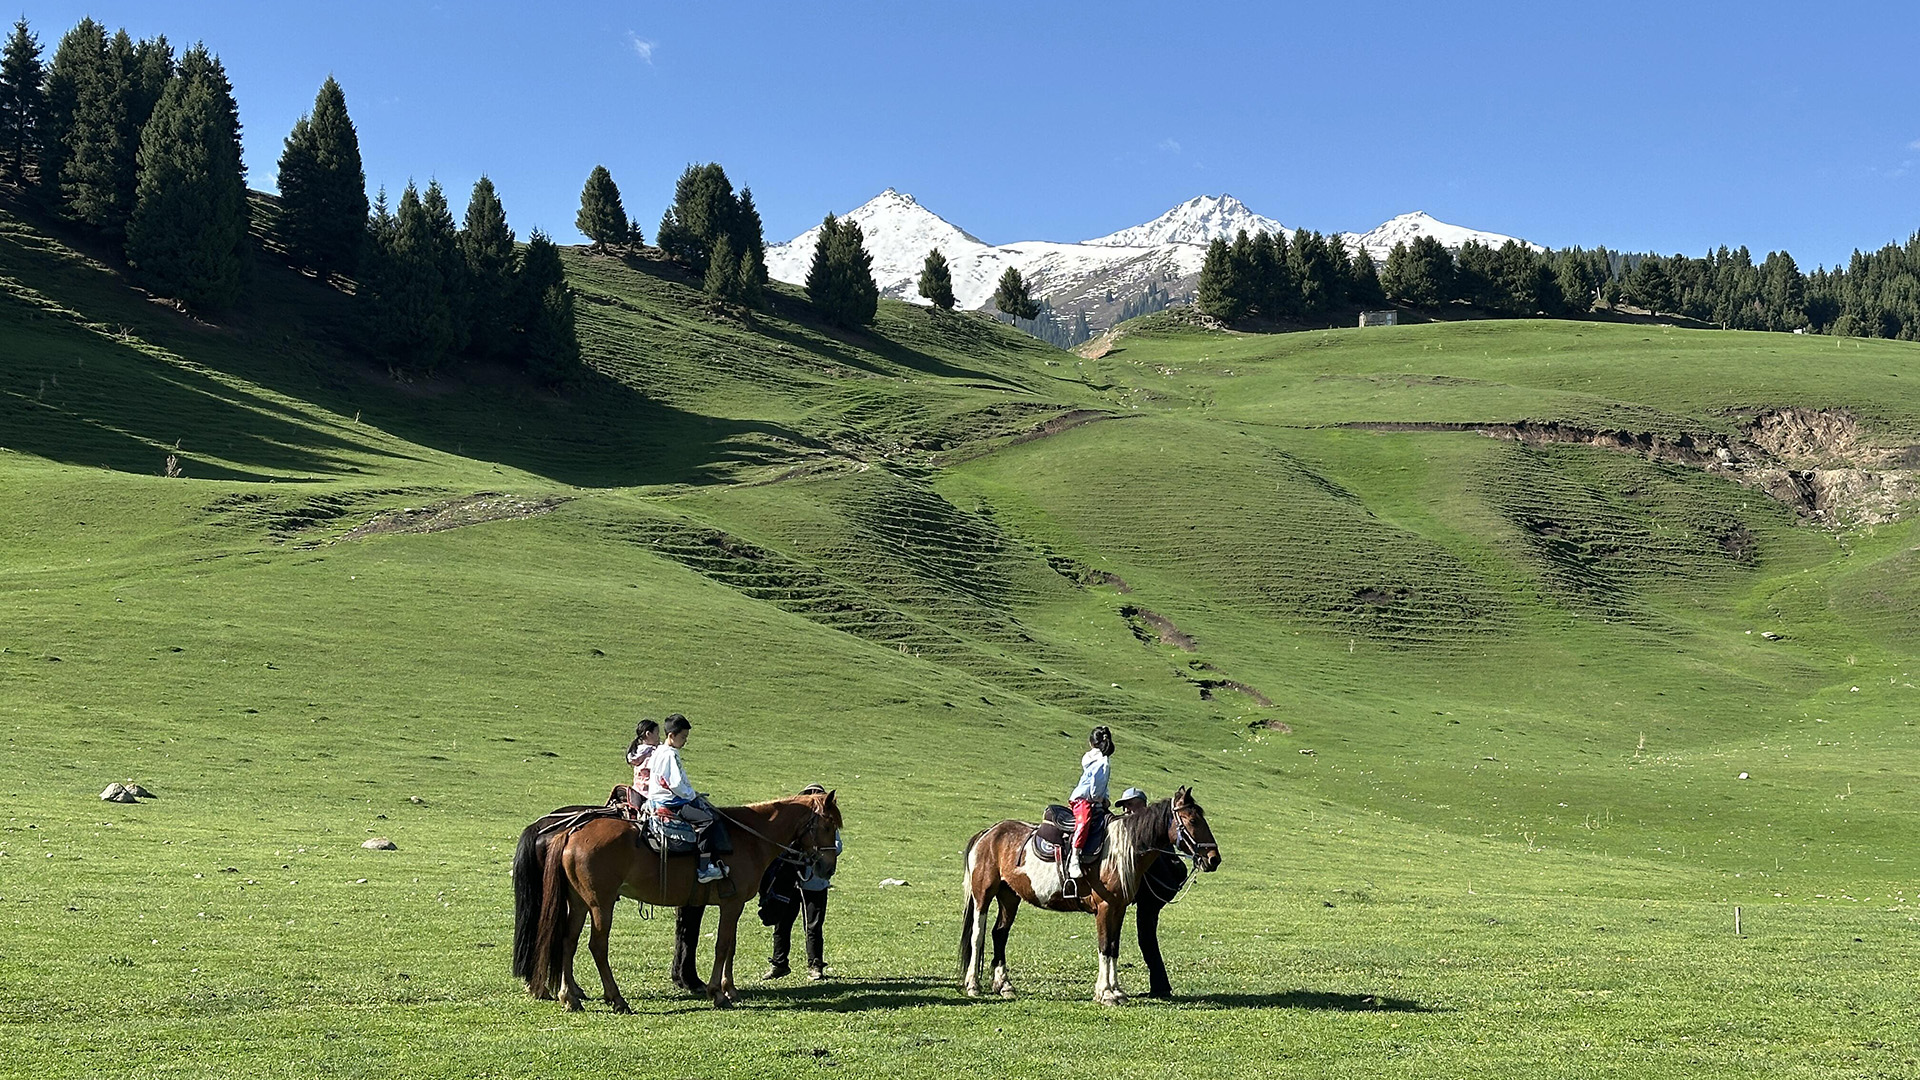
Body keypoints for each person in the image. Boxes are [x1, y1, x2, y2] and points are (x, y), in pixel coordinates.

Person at [1115, 786, 1189, 999]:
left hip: (1153, 892)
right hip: (1150, 891)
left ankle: (1161, 987)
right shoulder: (1144, 825)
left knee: (1146, 937)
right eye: (1124, 806)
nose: (1127, 810)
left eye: (1130, 804)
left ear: (1142, 804)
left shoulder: (1151, 827)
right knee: (1146, 937)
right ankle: (1160, 986)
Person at [759, 784, 838, 981]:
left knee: (813, 924)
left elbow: (835, 846)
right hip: (790, 878)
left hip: (815, 880)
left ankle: (815, 965)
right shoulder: (796, 824)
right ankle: (779, 963)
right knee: (782, 922)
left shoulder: (826, 822)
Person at [645, 713, 727, 883]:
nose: (685, 741)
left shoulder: (660, 750)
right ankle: (704, 868)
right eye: (683, 737)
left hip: (660, 798)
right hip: (672, 802)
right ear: (671, 735)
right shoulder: (670, 754)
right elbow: (676, 784)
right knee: (708, 821)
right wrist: (692, 795)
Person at [1067, 725, 1114, 880]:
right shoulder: (1102, 762)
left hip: (1087, 798)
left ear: (1091, 743)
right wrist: (1102, 800)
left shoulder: (1094, 759)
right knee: (1084, 821)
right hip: (1083, 799)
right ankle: (1074, 857)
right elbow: (1095, 790)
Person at [623, 719, 661, 811]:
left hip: (637, 789)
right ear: (648, 734)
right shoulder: (652, 754)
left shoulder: (636, 752)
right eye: (657, 733)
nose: (659, 737)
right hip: (649, 792)